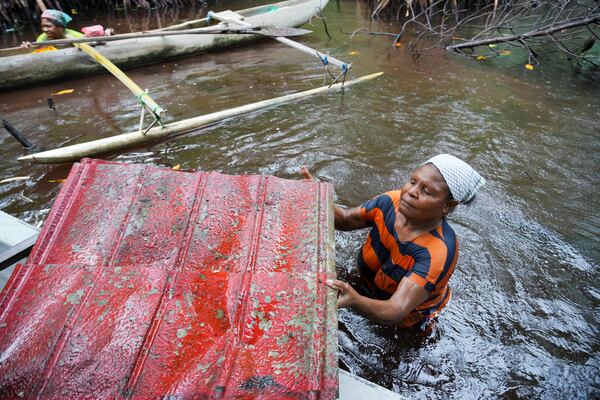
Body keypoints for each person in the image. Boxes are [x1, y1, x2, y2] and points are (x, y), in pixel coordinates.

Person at [302, 154, 485, 330]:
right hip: (367, 284)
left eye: (426, 191)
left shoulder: (437, 251)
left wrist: (355, 301)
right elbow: (345, 219)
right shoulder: (390, 202)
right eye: (413, 182)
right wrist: (318, 198)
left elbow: (396, 309)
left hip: (406, 321)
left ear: (448, 206)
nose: (411, 192)